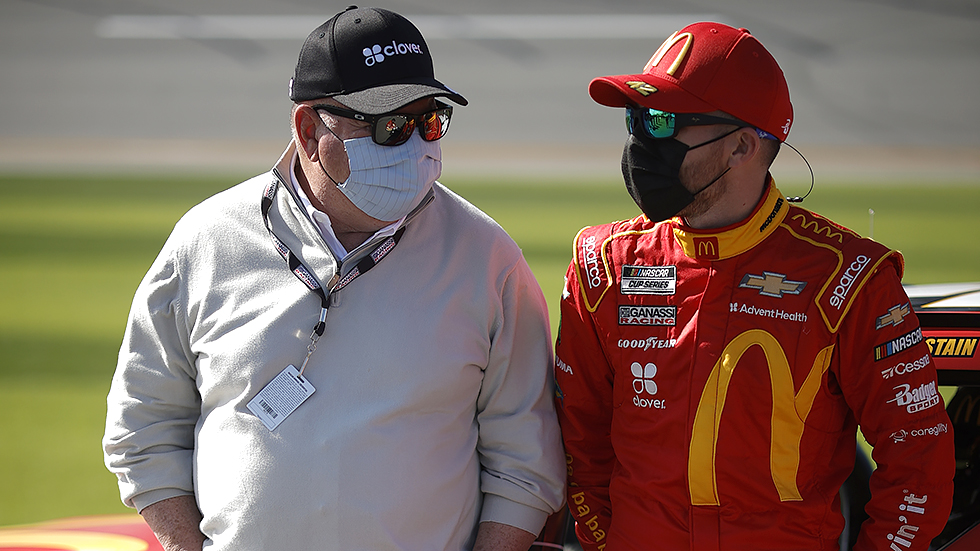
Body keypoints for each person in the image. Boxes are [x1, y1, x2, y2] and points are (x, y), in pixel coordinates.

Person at [103, 6, 565, 551]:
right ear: (308, 129)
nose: (416, 147)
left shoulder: (487, 259)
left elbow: (526, 466)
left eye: (429, 121)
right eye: (389, 126)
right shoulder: (207, 241)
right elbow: (143, 430)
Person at [554, 21, 954, 551]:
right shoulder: (602, 267)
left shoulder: (848, 279)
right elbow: (578, 448)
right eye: (636, 118)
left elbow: (918, 462)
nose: (640, 141)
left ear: (741, 146)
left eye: (662, 121)